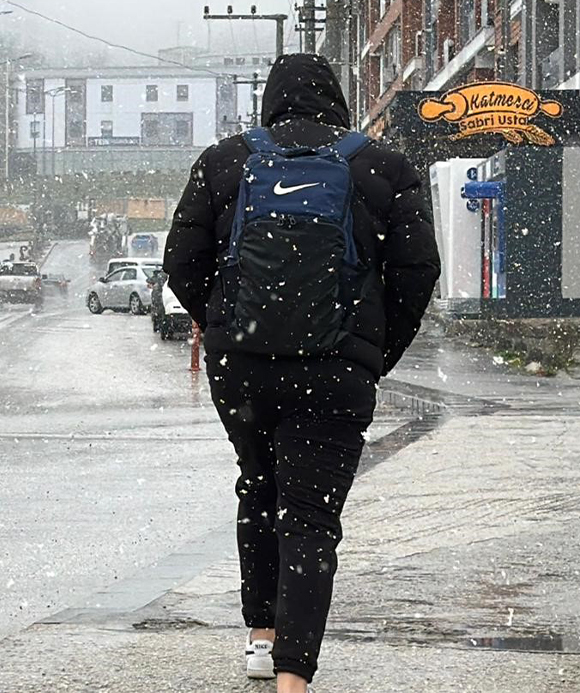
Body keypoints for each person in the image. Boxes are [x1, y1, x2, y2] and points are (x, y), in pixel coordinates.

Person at [164, 54, 440, 693]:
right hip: (336, 372)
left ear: (271, 101)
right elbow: (416, 271)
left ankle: (262, 640)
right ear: (336, 100)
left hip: (244, 370)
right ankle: (294, 675)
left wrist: (226, 324)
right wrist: (373, 350)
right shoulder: (384, 166)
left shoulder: (224, 162)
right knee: (311, 516)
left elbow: (182, 260)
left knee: (258, 487)